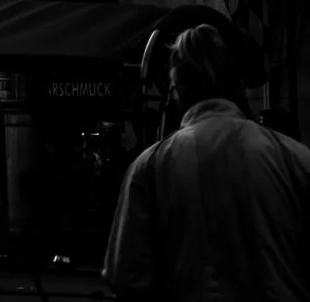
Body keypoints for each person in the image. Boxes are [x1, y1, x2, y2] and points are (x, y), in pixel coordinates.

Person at [103, 23, 310, 301]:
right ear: (235, 85)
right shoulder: (293, 157)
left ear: (177, 90)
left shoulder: (150, 166)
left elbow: (125, 275)